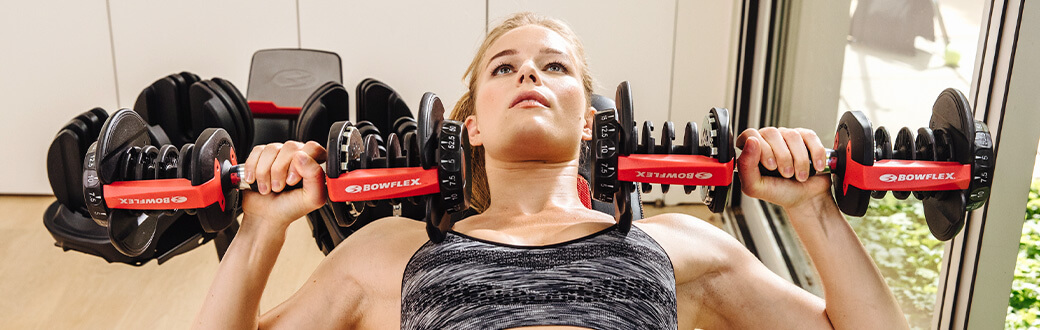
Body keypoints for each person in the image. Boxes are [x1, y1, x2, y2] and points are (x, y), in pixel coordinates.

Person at [193, 12, 908, 329]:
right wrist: (260, 229)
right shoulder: (392, 252)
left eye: (554, 65)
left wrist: (813, 209)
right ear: (470, 125)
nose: (529, 69)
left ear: (591, 118)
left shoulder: (679, 246)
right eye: (505, 67)